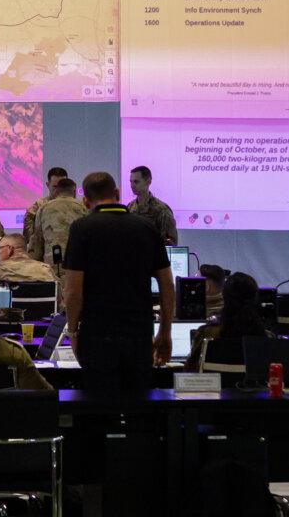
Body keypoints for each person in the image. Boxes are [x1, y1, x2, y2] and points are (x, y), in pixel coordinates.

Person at [63, 172, 175, 392]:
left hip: (97, 334)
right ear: (117, 193)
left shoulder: (81, 229)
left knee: (99, 410)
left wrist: (73, 333)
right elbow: (167, 284)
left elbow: (73, 291)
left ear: (86, 202)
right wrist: (165, 331)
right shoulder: (146, 227)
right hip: (139, 334)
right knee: (139, 409)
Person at [184, 272, 273, 372]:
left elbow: (189, 371)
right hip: (255, 387)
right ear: (255, 298)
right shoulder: (267, 339)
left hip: (215, 387)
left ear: (224, 297)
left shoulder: (207, 334)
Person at [28, 177, 87, 267]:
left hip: (52, 266)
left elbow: (37, 242)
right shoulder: (83, 208)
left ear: (57, 191)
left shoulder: (43, 208)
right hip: (77, 265)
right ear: (74, 191)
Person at [127, 165, 178, 246]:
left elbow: (171, 242)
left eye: (136, 182)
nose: (132, 185)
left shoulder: (162, 210)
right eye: (131, 182)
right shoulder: (130, 207)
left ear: (148, 182)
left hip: (154, 256)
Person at [23, 167, 68, 244]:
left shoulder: (76, 207)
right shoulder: (37, 207)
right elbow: (30, 241)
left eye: (62, 186)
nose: (59, 190)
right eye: (55, 186)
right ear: (48, 185)